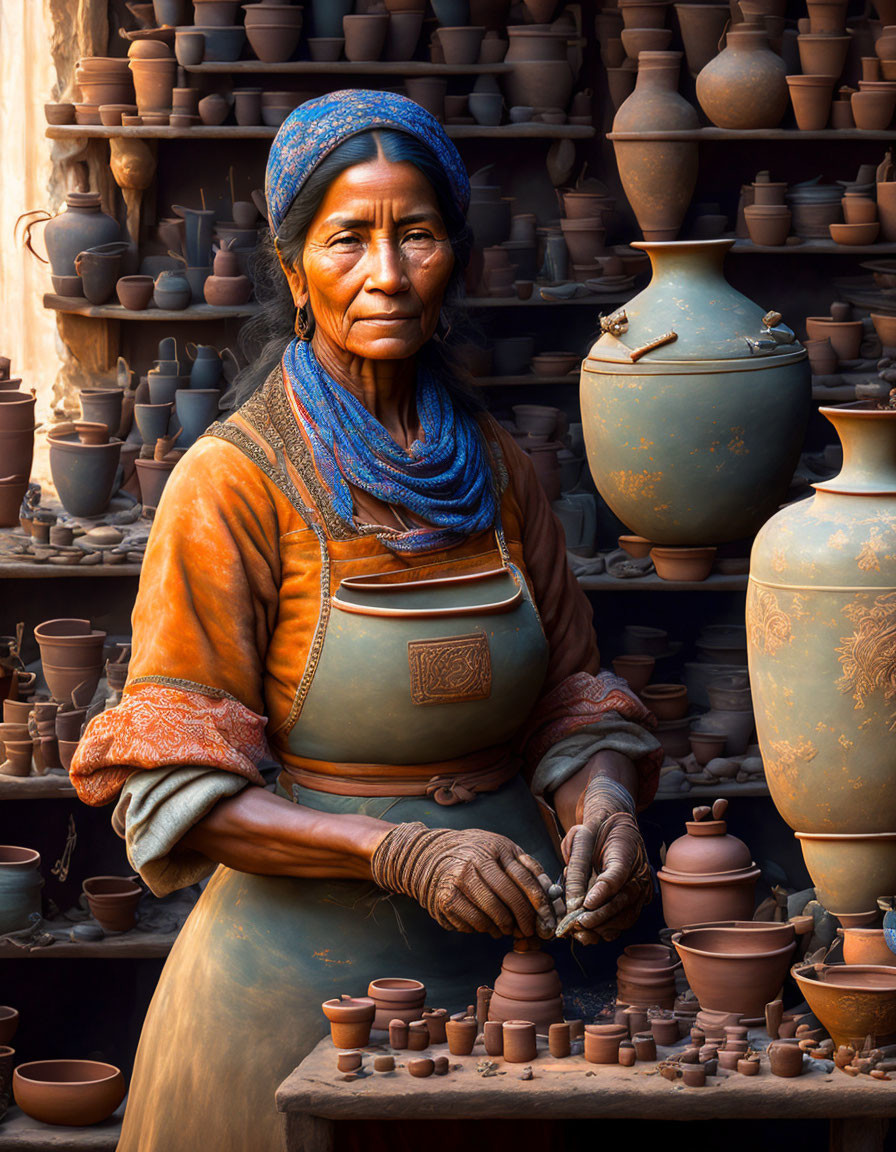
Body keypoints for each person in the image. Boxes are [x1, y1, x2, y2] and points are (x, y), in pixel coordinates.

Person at [70, 90, 662, 1152]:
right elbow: (175, 792)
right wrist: (401, 852)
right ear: (293, 271)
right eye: (348, 239)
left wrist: (604, 801)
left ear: (457, 260)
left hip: (516, 962)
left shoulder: (499, 471)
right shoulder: (232, 484)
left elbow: (573, 697)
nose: (386, 273)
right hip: (294, 990)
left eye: (417, 234)